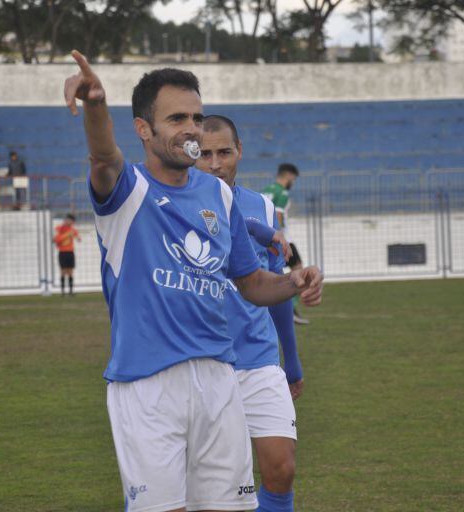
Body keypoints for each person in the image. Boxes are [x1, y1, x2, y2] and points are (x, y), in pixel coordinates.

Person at [63, 50, 323, 512]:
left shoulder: (218, 195)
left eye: (197, 118)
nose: (191, 129)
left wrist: (294, 281)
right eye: (177, 117)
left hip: (219, 379)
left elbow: (251, 283)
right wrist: (96, 106)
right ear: (144, 128)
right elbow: (104, 158)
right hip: (148, 383)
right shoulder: (128, 193)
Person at [197, 115, 303, 512]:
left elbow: (272, 285)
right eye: (204, 153)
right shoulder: (177, 203)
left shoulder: (262, 203)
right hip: (206, 361)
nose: (215, 162)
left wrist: (290, 360)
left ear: (239, 152)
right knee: (219, 486)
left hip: (258, 357)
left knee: (281, 467)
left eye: (224, 152)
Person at [262, 164, 309, 325]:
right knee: (299, 273)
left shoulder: (266, 190)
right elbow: (278, 215)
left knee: (275, 276)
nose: (293, 182)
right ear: (288, 176)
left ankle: (280, 311)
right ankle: (290, 309)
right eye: (293, 179)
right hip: (280, 240)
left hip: (264, 240)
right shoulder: (282, 192)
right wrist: (279, 237)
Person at [53, 213, 81, 296]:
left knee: (70, 272)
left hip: (70, 252)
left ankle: (70, 291)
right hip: (62, 252)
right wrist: (67, 235)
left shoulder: (72, 229)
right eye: (69, 220)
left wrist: (77, 237)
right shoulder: (59, 228)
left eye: (71, 221)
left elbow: (78, 238)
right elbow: (55, 240)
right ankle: (62, 291)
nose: (70, 222)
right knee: (63, 271)